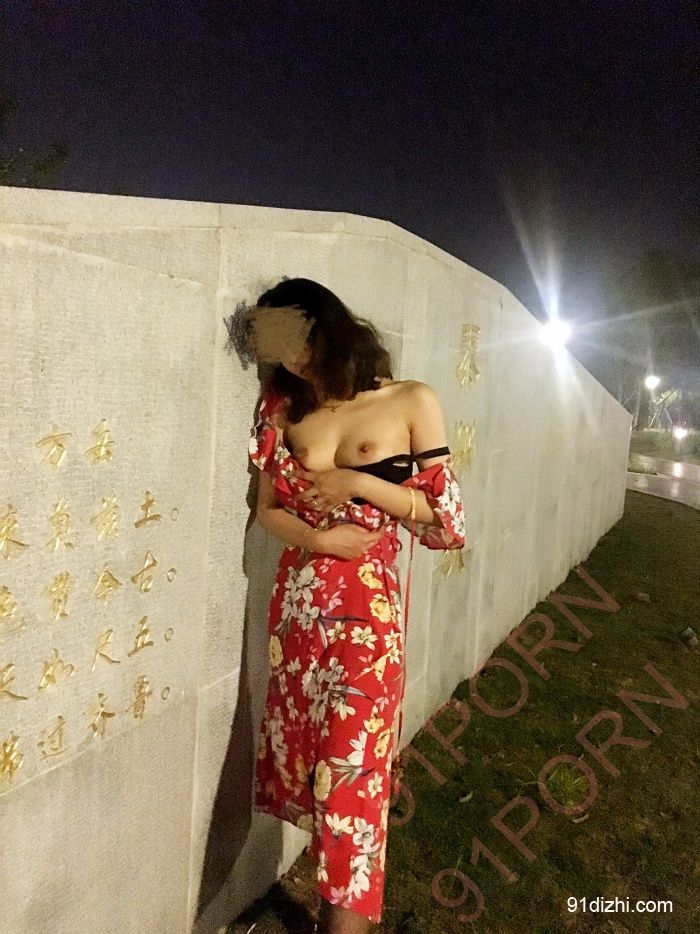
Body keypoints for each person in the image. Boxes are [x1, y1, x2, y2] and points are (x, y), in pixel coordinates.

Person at [230, 277, 466, 933]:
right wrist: (317, 538)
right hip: (298, 616)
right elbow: (267, 509)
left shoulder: (410, 400)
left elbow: (446, 522)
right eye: (279, 353)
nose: (294, 362)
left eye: (299, 345)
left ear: (328, 327)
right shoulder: (285, 410)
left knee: (353, 787)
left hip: (367, 623)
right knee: (316, 778)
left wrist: (358, 480)